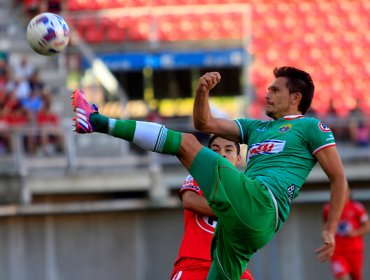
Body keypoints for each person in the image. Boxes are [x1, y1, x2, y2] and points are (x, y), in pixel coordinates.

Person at [71, 66, 348, 279]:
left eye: (275, 90)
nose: (267, 94)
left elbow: (338, 178)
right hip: (242, 227)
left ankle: (96, 121)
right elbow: (204, 122)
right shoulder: (256, 128)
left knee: (187, 144)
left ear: (295, 98)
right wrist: (202, 91)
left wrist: (330, 229)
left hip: (263, 202)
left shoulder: (311, 127)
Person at [171, 135, 253, 280]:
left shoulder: (244, 188)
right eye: (215, 150)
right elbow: (189, 201)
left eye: (228, 150)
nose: (222, 154)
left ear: (238, 158)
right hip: (194, 264)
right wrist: (234, 212)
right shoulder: (198, 176)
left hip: (232, 267)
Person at [322, 189, 370, 280]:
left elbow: (367, 226)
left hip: (355, 251)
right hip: (337, 252)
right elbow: (325, 228)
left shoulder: (357, 207)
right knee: (342, 277)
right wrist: (326, 238)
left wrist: (355, 233)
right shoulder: (328, 209)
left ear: (349, 193)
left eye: (345, 191)